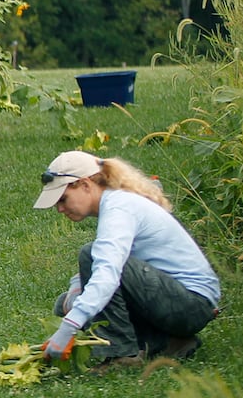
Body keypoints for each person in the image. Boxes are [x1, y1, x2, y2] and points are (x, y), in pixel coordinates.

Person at [33, 150, 221, 371]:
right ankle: (167, 342)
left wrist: (68, 328)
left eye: (63, 199)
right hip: (179, 302)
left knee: (90, 259)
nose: (60, 208)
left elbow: (107, 271)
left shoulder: (119, 208)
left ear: (84, 184)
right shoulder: (117, 202)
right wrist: (77, 289)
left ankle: (122, 354)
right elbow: (111, 256)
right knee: (66, 302)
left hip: (191, 305)